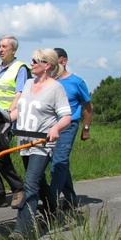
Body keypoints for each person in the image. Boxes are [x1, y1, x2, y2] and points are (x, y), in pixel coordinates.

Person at [8, 48, 71, 240]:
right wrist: (5, 121)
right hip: (25, 142)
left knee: (30, 184)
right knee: (39, 181)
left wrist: (55, 128)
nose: (32, 63)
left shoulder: (55, 88)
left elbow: (66, 116)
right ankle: (53, 211)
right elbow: (19, 110)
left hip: (42, 143)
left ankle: (22, 230)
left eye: (36, 60)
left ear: (47, 65)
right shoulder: (27, 84)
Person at [0, 35, 30, 210]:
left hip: (7, 117)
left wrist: (10, 112)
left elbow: (20, 93)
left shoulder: (20, 68)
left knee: (1, 155)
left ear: (13, 50)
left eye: (4, 47)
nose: (0, 49)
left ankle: (18, 189)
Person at [49, 48, 93, 210]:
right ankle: (70, 198)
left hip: (68, 126)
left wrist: (86, 128)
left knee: (58, 162)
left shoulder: (76, 82)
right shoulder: (49, 81)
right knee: (60, 163)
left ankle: (51, 202)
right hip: (50, 126)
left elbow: (88, 106)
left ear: (64, 60)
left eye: (54, 59)